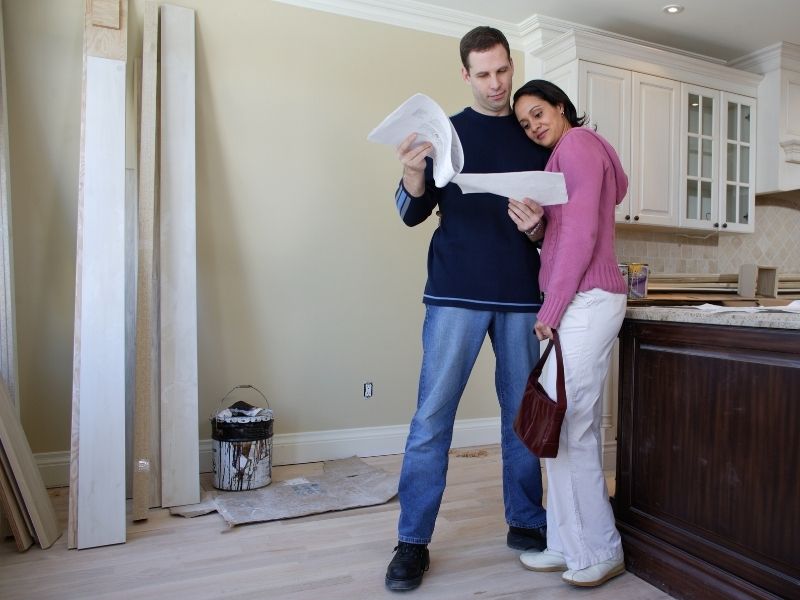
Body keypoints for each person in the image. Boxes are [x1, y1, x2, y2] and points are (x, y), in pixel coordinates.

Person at [384, 27, 551, 592]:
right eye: (483, 74)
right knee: (432, 419)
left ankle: (527, 522)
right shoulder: (445, 133)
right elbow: (411, 213)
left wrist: (539, 230)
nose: (496, 83)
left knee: (520, 421)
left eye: (503, 70)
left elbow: (559, 230)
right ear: (466, 75)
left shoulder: (539, 137)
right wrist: (411, 177)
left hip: (521, 299)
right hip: (454, 294)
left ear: (511, 64)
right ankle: (412, 541)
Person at [507, 79, 629, 588]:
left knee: (569, 430)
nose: (534, 124)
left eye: (539, 112)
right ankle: (565, 542)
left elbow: (581, 234)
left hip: (584, 301)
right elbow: (566, 232)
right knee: (563, 426)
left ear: (561, 107)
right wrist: (537, 230)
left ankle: (600, 550)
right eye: (525, 121)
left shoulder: (576, 144)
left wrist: (552, 306)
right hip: (582, 300)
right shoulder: (570, 154)